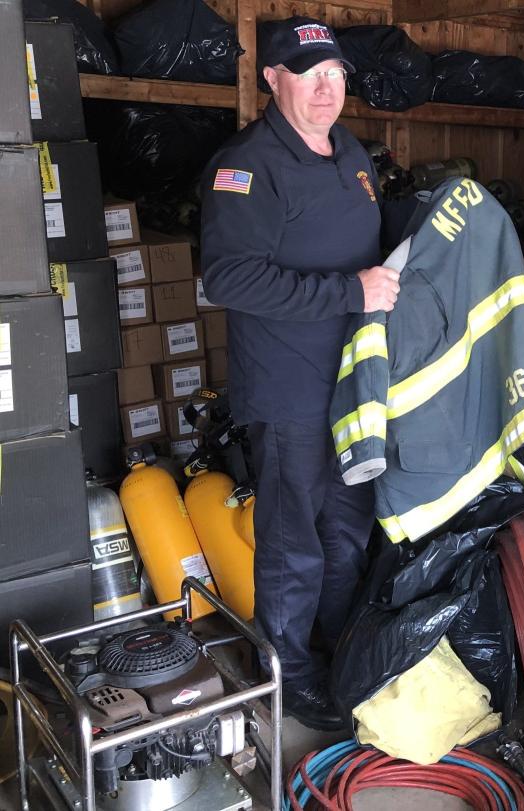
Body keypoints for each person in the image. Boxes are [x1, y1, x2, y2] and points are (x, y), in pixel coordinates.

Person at [199, 16, 401, 730]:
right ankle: (287, 667)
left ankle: (337, 650)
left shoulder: (352, 154)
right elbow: (228, 278)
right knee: (294, 540)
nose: (326, 88)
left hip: (353, 384)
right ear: (272, 78)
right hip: (287, 389)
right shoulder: (248, 166)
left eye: (336, 73)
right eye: (310, 73)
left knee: (348, 529)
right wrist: (352, 292)